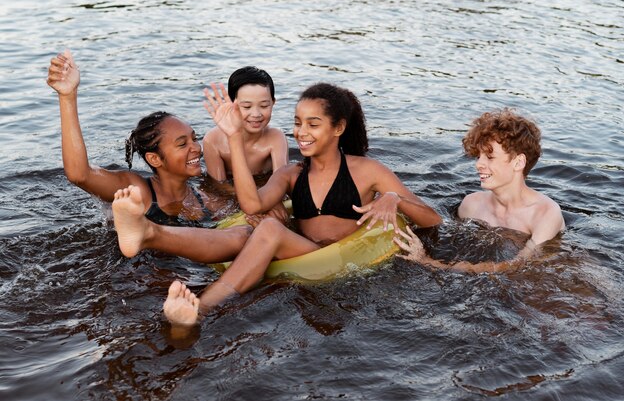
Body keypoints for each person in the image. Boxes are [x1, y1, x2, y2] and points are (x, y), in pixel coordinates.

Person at [114, 81, 442, 327]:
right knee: (248, 230)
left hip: (343, 258)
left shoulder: (368, 171)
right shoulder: (291, 174)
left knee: (268, 227)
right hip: (304, 250)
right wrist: (232, 137)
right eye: (298, 123)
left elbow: (433, 219)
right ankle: (148, 232)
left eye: (313, 124)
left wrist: (392, 198)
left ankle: (201, 307)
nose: (301, 132)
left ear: (338, 128)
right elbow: (252, 203)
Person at [47, 49, 250, 261]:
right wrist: (68, 97)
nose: (196, 148)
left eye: (194, 138)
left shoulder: (203, 199)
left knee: (245, 233)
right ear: (155, 159)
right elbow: (80, 174)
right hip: (139, 273)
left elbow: (242, 209)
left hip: (182, 273)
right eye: (182, 144)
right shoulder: (138, 191)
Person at [395, 108, 565, 273]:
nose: (478, 164)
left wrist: (428, 262)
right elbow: (445, 241)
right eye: (478, 156)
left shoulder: (545, 214)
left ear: (518, 162)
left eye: (490, 157)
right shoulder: (470, 205)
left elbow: (517, 267)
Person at [202, 66, 288, 182]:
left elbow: (281, 183)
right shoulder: (212, 140)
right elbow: (218, 186)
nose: (256, 114)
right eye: (247, 107)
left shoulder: (276, 138)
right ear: (230, 105)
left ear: (273, 103)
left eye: (264, 106)